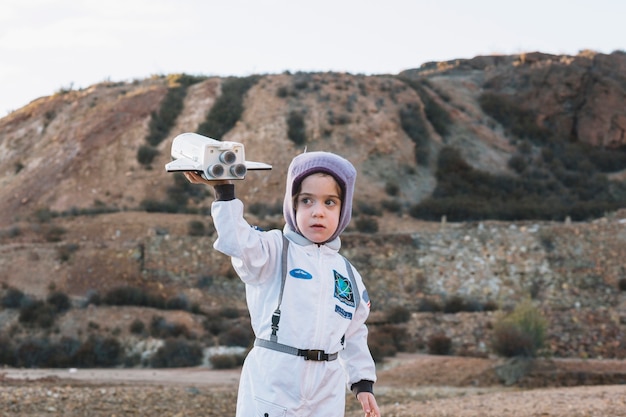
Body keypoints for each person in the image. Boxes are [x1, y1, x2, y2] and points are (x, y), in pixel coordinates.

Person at [184, 151, 380, 417]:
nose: (318, 212)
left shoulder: (347, 274)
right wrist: (224, 191)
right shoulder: (273, 249)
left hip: (327, 389)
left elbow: (354, 332)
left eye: (330, 202)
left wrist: (362, 382)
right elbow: (238, 242)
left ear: (344, 210)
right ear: (292, 205)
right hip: (274, 381)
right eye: (307, 200)